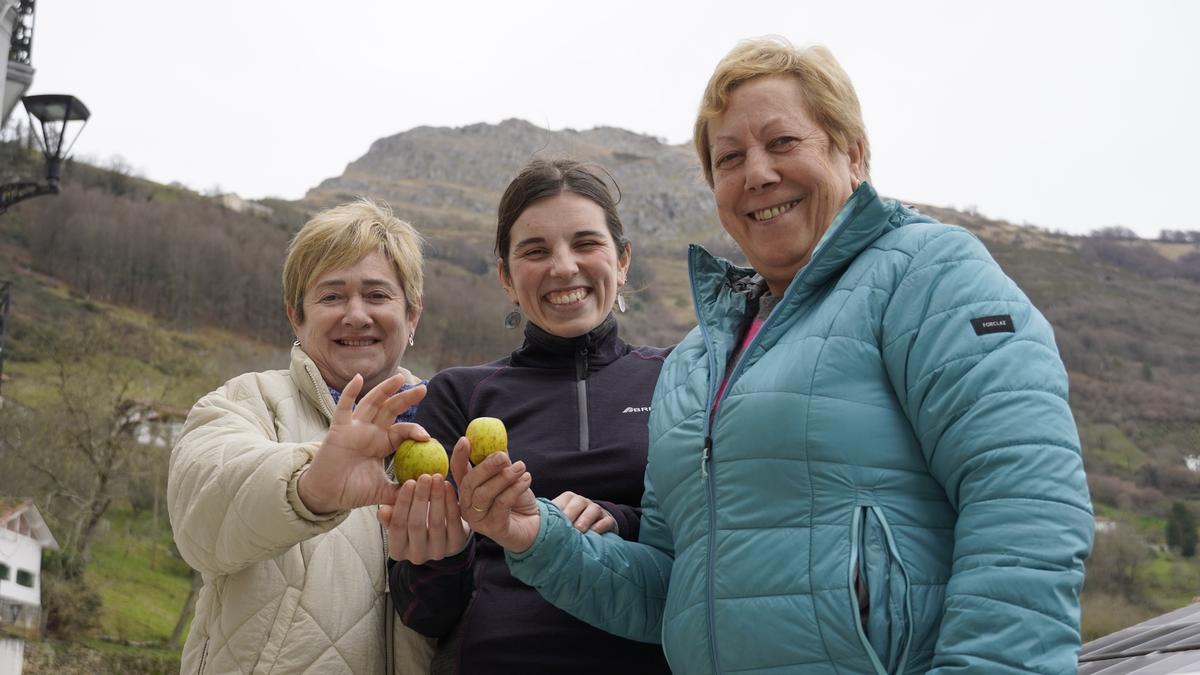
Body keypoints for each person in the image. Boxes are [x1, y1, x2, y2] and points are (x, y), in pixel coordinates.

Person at [458, 38, 1094, 674]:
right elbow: (674, 592)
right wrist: (538, 536)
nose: (757, 174)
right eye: (730, 158)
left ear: (852, 152)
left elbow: (1025, 506)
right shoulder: (693, 363)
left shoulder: (930, 274)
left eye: (783, 142)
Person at [382, 159, 673, 674]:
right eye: (536, 251)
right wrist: (440, 554)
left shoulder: (680, 377)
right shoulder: (458, 395)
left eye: (586, 243)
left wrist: (623, 520)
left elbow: (717, 544)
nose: (563, 267)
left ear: (623, 260)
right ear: (506, 277)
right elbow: (423, 611)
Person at [168, 199, 436, 674]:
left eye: (377, 295)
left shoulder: (445, 425)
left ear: (412, 315)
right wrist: (310, 485)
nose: (356, 315)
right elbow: (199, 518)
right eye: (331, 297)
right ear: (297, 316)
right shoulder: (247, 400)